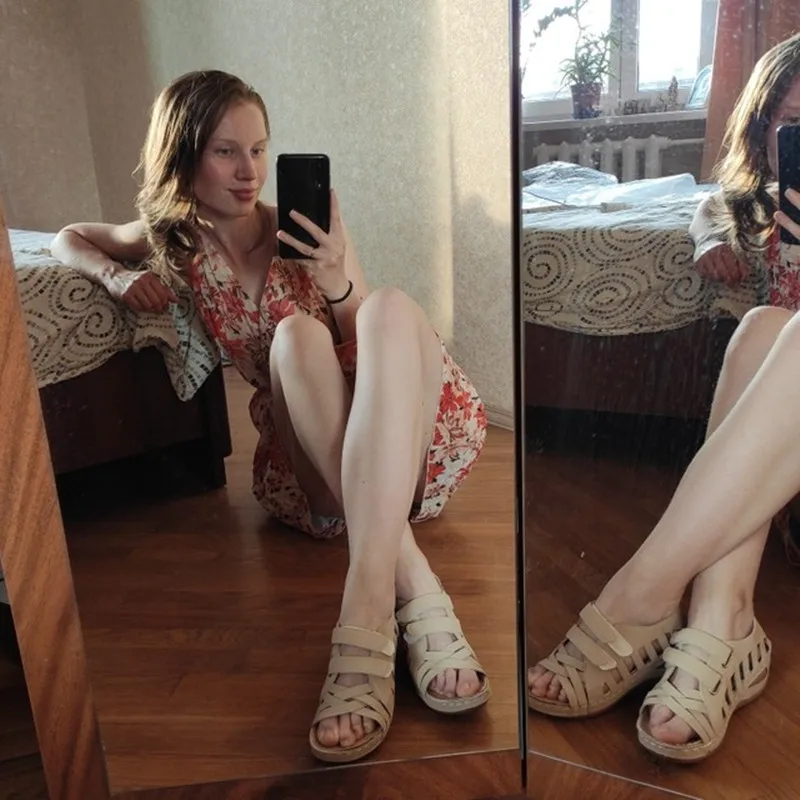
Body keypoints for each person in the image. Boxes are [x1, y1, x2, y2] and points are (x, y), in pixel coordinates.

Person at [50, 69, 490, 764]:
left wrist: (337, 279)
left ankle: (373, 601)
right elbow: (69, 236)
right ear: (184, 155)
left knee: (387, 307)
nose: (249, 171)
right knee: (294, 337)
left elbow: (367, 344)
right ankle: (415, 585)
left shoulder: (302, 228)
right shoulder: (175, 244)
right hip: (311, 462)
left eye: (258, 149)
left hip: (406, 441)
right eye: (226, 151)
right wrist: (116, 275)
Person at [527, 33, 800, 764]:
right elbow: (709, 210)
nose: (797, 139)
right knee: (763, 325)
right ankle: (721, 617)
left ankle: (643, 595)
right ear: (762, 128)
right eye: (788, 123)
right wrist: (713, 237)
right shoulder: (757, 205)